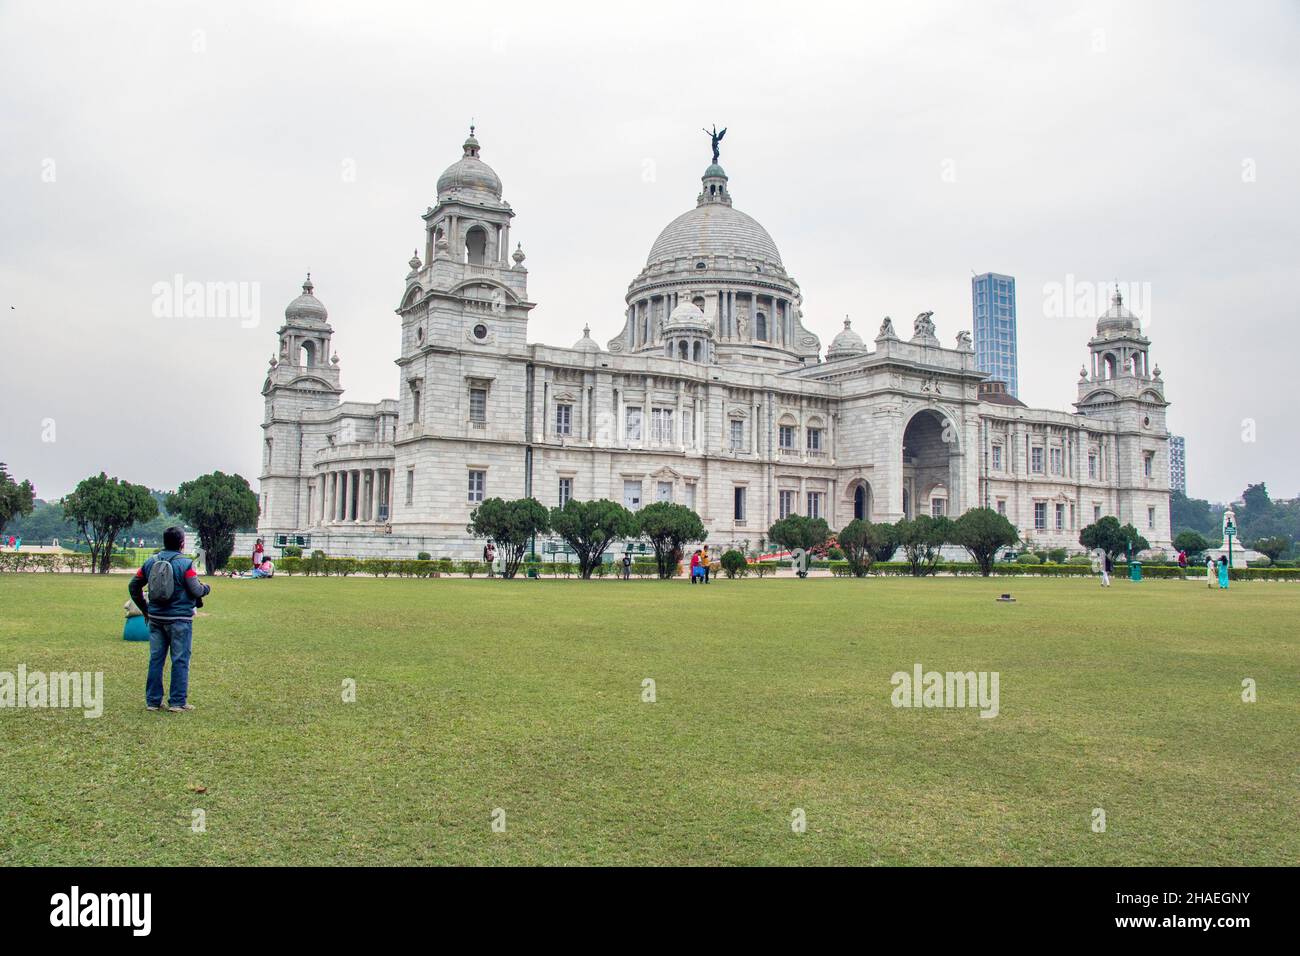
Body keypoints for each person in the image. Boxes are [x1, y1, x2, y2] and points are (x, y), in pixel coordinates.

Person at [129, 526, 210, 713]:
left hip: (156, 618)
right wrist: (207, 589)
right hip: (180, 619)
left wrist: (145, 609)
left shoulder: (150, 562)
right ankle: (177, 702)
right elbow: (196, 590)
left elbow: (134, 586)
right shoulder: (186, 564)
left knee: (156, 659)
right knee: (180, 659)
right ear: (182, 543)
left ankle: (153, 702)